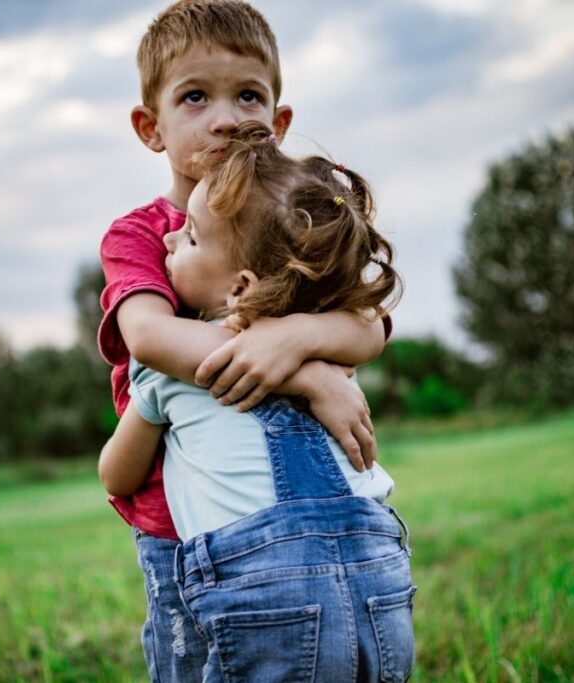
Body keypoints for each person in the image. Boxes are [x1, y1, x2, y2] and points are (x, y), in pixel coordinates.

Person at [98, 1, 390, 680]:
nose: (227, 117)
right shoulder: (144, 234)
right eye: (195, 97)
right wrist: (310, 375)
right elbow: (147, 334)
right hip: (178, 523)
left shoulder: (297, 217)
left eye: (248, 95)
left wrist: (296, 336)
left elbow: (368, 324)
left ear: (278, 123)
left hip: (299, 516)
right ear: (151, 127)